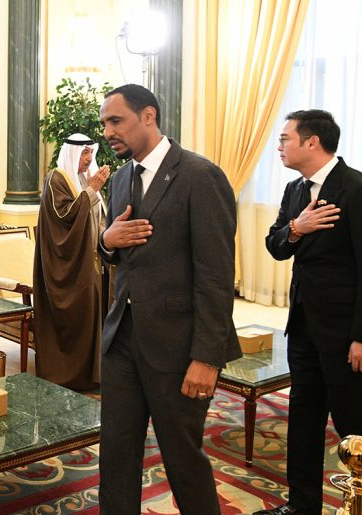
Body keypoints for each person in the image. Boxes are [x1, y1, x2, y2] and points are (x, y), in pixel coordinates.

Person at [97, 84, 242, 513]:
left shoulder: (200, 175)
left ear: (148, 116)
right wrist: (106, 242)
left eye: (116, 120)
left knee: (182, 459)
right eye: (104, 123)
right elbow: (117, 249)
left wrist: (207, 358)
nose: (107, 132)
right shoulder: (120, 178)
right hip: (122, 339)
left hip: (178, 345)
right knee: (115, 454)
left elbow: (216, 275)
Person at [256, 110, 362, 515]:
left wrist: (361, 336)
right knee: (303, 419)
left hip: (345, 333)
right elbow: (276, 246)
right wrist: (297, 228)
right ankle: (301, 506)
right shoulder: (294, 189)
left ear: (312, 141)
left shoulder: (355, 188)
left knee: (353, 426)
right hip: (302, 324)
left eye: (285, 138)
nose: (279, 147)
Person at [33, 134, 111, 390]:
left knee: (93, 317)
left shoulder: (83, 180)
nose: (89, 159)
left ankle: (92, 374)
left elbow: (97, 217)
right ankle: (69, 376)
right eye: (84, 153)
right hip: (67, 267)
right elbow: (64, 217)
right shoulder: (56, 179)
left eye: (91, 153)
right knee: (77, 319)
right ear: (72, 153)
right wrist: (92, 190)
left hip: (91, 261)